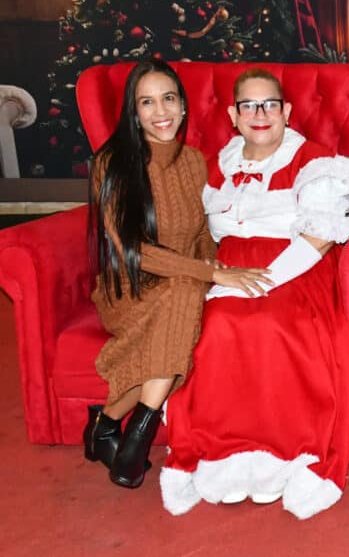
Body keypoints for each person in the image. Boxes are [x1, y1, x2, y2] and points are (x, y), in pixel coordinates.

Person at [160, 68, 349, 520]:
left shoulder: (313, 160)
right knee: (214, 326)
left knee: (270, 323)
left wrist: (264, 281)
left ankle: (286, 452)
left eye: (270, 104)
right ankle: (223, 455)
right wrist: (212, 273)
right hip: (228, 266)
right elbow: (188, 229)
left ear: (286, 111)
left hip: (296, 264)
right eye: (249, 106)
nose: (260, 114)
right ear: (232, 115)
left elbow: (319, 237)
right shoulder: (215, 164)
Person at [85, 60, 270, 489]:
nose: (160, 111)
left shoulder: (192, 162)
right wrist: (208, 274)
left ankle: (109, 426)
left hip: (183, 282)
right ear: (134, 112)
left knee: (186, 295)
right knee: (187, 294)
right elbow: (133, 251)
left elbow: (201, 231)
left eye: (168, 99)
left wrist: (213, 263)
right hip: (129, 288)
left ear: (183, 106)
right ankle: (135, 436)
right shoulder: (111, 164)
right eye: (146, 102)